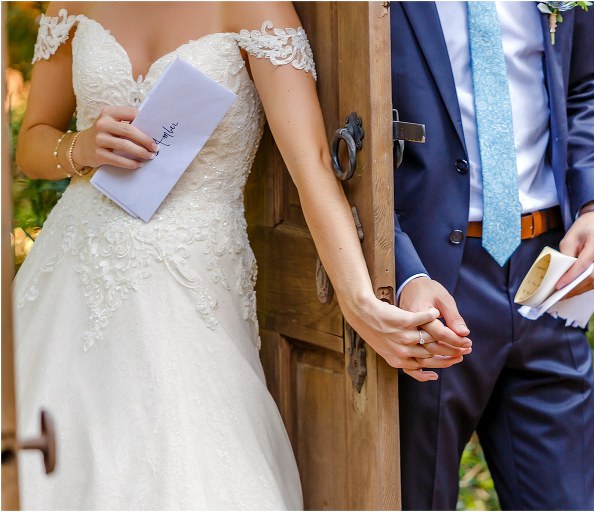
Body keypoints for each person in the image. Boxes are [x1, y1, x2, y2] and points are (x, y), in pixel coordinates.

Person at [13, 2, 471, 509]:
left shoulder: (256, 6)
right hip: (68, 280)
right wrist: (79, 147)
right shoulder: (70, 4)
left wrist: (360, 301)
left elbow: (314, 164)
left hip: (191, 288)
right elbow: (32, 144)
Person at [391, 1, 594, 509]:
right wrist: (403, 270)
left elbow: (583, 88)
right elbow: (338, 133)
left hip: (550, 277)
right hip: (429, 286)